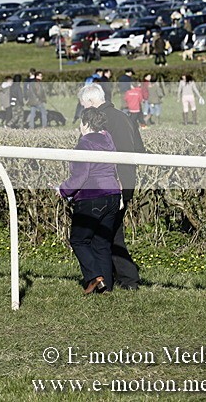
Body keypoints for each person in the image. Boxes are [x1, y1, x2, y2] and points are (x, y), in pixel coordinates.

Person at [78, 83, 143, 290]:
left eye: (83, 106)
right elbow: (139, 150)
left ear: (90, 102)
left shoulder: (100, 121)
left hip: (112, 184)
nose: (83, 110)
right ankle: (122, 277)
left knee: (106, 235)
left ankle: (123, 278)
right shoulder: (125, 117)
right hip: (125, 181)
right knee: (112, 232)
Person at [57, 107, 122, 294]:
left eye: (80, 123)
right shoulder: (108, 138)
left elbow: (80, 175)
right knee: (102, 243)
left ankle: (95, 277)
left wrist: (63, 189)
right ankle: (106, 287)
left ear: (86, 124)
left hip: (92, 197)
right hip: (112, 195)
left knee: (79, 240)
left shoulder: (85, 142)